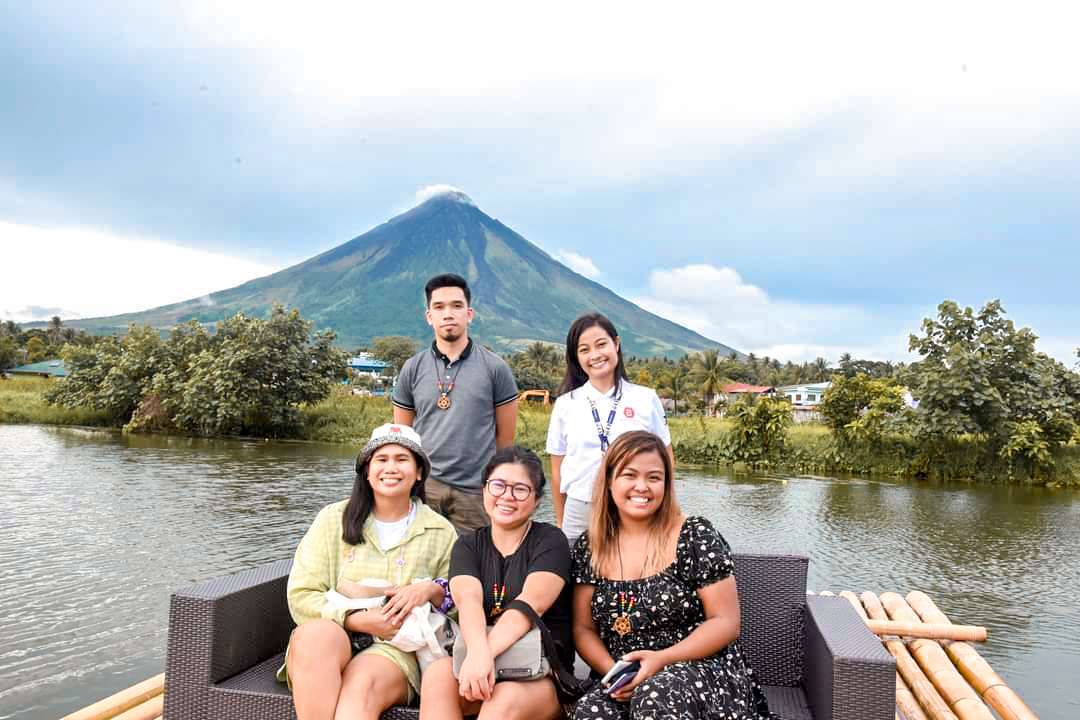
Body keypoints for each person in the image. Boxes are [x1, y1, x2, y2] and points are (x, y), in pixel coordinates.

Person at [570, 431, 773, 720]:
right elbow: (583, 629)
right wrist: (616, 675)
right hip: (624, 674)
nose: (642, 487)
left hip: (698, 668)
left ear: (666, 484)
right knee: (590, 712)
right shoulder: (591, 546)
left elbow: (726, 622)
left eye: (654, 477)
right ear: (610, 480)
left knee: (657, 696)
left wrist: (662, 660)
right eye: (630, 475)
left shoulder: (694, 535)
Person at [280, 423, 458, 720]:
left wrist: (434, 590)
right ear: (366, 469)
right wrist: (358, 620)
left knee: (360, 688)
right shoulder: (332, 519)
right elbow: (302, 593)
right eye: (381, 459)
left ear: (419, 473)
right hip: (335, 634)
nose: (391, 468)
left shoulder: (440, 531)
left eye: (402, 459)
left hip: (394, 648)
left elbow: (458, 609)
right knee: (314, 637)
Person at [419, 446, 572, 720]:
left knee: (502, 702)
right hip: (482, 660)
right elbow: (469, 601)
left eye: (520, 489)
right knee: (437, 676)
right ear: (484, 489)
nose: (507, 496)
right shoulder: (467, 544)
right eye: (498, 485)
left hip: (541, 671)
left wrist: (481, 656)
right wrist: (478, 655)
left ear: (536, 499)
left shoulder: (551, 541)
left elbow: (530, 605)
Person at [393, 273, 519, 531]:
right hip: (424, 490)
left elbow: (505, 442)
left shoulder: (495, 368)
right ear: (429, 316)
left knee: (473, 566)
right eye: (439, 307)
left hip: (474, 492)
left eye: (456, 306)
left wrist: (492, 486)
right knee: (420, 566)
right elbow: (402, 439)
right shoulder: (412, 369)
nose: (447, 314)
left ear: (469, 314)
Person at [546, 313, 672, 542]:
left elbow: (667, 461)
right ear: (576, 357)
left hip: (633, 507)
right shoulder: (566, 404)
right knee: (575, 575)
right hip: (580, 509)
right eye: (584, 350)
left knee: (631, 573)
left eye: (601, 344)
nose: (594, 355)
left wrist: (667, 512)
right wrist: (561, 518)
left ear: (616, 343)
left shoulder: (645, 398)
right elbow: (557, 470)